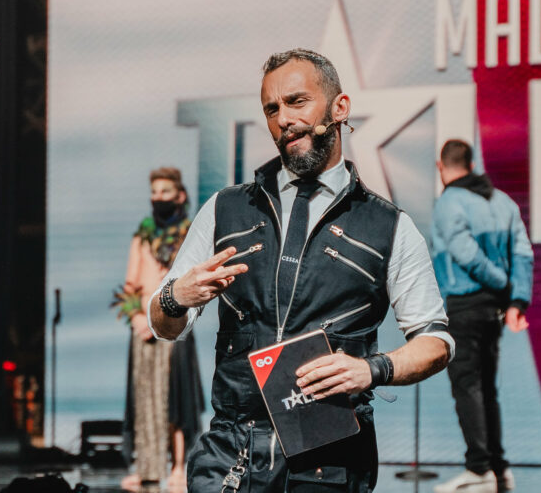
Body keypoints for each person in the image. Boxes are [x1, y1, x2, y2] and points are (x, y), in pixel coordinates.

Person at [148, 48, 455, 492]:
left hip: (330, 460)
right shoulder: (225, 209)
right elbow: (164, 324)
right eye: (271, 109)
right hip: (231, 454)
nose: (283, 119)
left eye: (296, 101)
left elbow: (436, 341)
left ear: (339, 107)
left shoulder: (389, 226)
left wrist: (372, 369)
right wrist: (177, 295)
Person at [429, 140, 533, 493]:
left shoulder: (449, 202)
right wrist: (516, 299)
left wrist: (501, 285)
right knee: (486, 388)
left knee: (467, 385)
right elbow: (522, 252)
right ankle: (499, 469)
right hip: (494, 310)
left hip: (465, 304)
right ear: (472, 164)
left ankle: (479, 471)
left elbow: (465, 253)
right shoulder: (502, 200)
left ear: (441, 167)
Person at [113, 167, 205, 493]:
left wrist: (166, 319)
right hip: (143, 330)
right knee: (146, 401)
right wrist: (138, 318)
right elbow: (129, 286)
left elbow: (193, 284)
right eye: (154, 193)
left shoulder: (189, 234)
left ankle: (179, 466)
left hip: (175, 326)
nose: (158, 198)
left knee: (176, 401)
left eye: (165, 192)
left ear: (179, 196)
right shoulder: (143, 235)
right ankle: (147, 467)